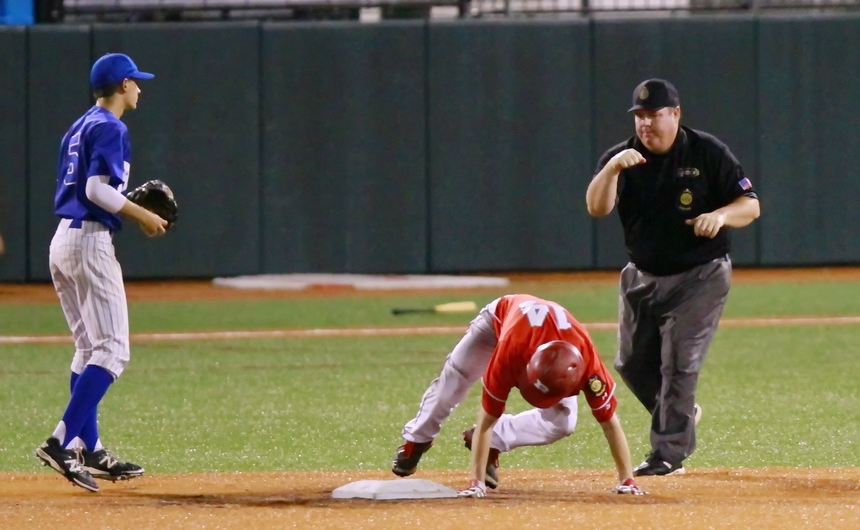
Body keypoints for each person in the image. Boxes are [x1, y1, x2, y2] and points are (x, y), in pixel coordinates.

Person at [585, 78, 760, 476]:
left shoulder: (706, 151)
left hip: (700, 275)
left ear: (675, 114)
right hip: (641, 276)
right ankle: (682, 415)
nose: (646, 123)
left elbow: (750, 206)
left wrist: (720, 215)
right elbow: (597, 208)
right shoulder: (621, 158)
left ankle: (668, 454)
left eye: (655, 114)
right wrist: (611, 169)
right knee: (630, 363)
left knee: (679, 364)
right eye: (640, 116)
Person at [34, 53, 168, 492]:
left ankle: (89, 448)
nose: (140, 89)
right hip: (89, 242)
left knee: (88, 347)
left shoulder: (81, 125)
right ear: (123, 85)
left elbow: (88, 189)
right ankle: (60, 442)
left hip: (64, 239)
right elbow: (96, 190)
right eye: (136, 82)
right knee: (112, 351)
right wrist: (141, 215)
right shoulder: (112, 126)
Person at [392, 294, 645, 498]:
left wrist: (627, 480)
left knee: (563, 423)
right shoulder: (510, 356)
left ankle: (496, 441)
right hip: (498, 320)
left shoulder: (588, 368)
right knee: (455, 378)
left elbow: (610, 422)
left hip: (551, 345)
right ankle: (418, 439)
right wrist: (476, 483)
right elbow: (487, 418)